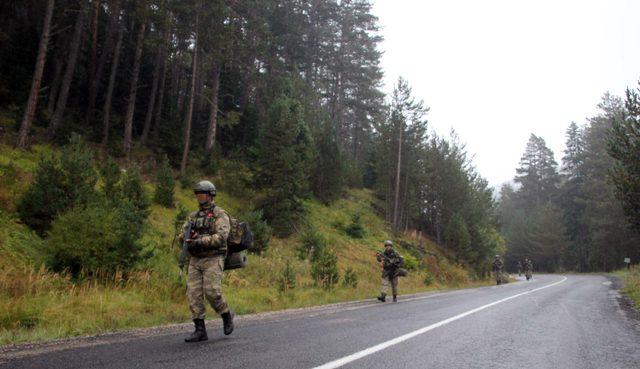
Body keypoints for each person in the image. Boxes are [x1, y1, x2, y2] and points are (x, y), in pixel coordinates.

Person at [179, 180, 234, 342]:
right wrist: (188, 237)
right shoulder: (192, 217)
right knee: (193, 294)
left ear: (211, 195)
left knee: (212, 291)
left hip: (213, 257)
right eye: (198, 195)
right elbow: (182, 235)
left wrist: (200, 240)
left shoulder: (220, 214)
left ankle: (226, 314)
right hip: (196, 259)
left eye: (203, 194)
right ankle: (200, 330)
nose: (200, 198)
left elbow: (221, 237)